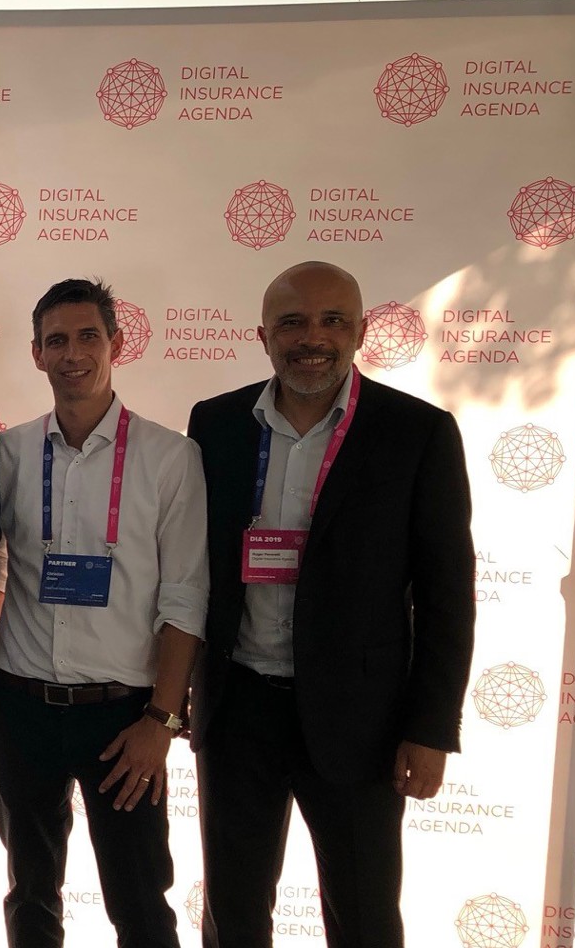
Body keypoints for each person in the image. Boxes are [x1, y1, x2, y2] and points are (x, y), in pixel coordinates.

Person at [187, 261, 475, 947]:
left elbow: (447, 595)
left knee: (364, 914)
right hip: (237, 710)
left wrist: (432, 728)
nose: (311, 338)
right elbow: (189, 567)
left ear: (361, 331)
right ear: (263, 335)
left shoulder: (417, 433)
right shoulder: (217, 423)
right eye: (292, 322)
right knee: (233, 912)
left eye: (332, 321)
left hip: (362, 719)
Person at [0, 279, 207, 948]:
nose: (72, 354)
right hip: (20, 706)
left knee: (140, 900)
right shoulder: (10, 452)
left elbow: (186, 596)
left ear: (116, 344)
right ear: (37, 354)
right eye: (56, 341)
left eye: (87, 337)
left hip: (123, 717)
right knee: (30, 894)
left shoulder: (169, 457)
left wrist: (162, 719)